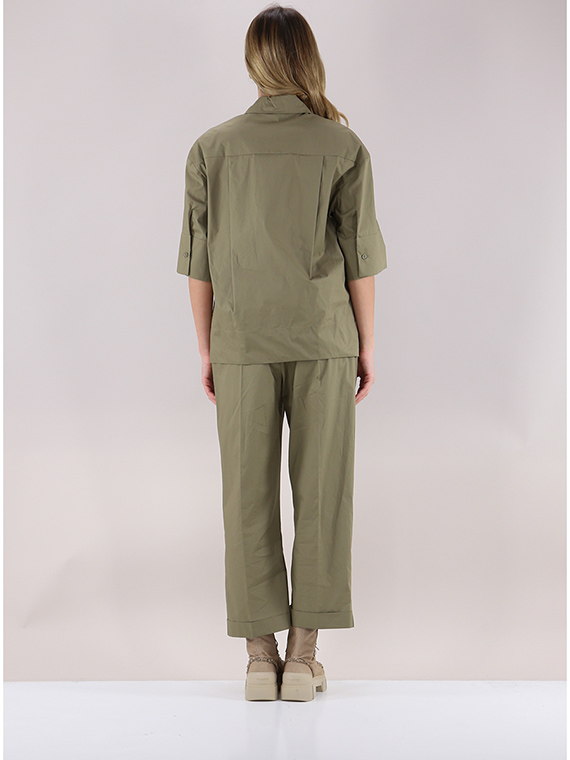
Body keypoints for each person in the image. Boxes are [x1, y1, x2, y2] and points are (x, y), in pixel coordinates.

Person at [177, 4, 387, 702]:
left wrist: (206, 349)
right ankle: (302, 659)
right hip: (324, 340)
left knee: (246, 495)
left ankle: (258, 660)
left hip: (240, 340)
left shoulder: (211, 148)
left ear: (253, 62)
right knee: (323, 492)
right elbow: (360, 260)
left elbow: (199, 265)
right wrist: (368, 346)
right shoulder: (342, 146)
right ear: (308, 59)